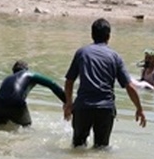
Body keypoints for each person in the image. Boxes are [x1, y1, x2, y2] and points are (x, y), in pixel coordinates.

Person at [63, 18, 146, 148]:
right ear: (109, 36)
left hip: (83, 107)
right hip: (105, 109)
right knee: (101, 149)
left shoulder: (82, 53)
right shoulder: (115, 57)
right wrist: (139, 109)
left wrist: (69, 103)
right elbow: (129, 86)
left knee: (77, 147)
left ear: (92, 34)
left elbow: (69, 81)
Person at [0, 60, 66, 127]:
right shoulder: (29, 74)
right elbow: (52, 84)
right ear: (26, 69)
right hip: (16, 103)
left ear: (13, 71)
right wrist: (67, 101)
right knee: (26, 128)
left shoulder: (7, 78)